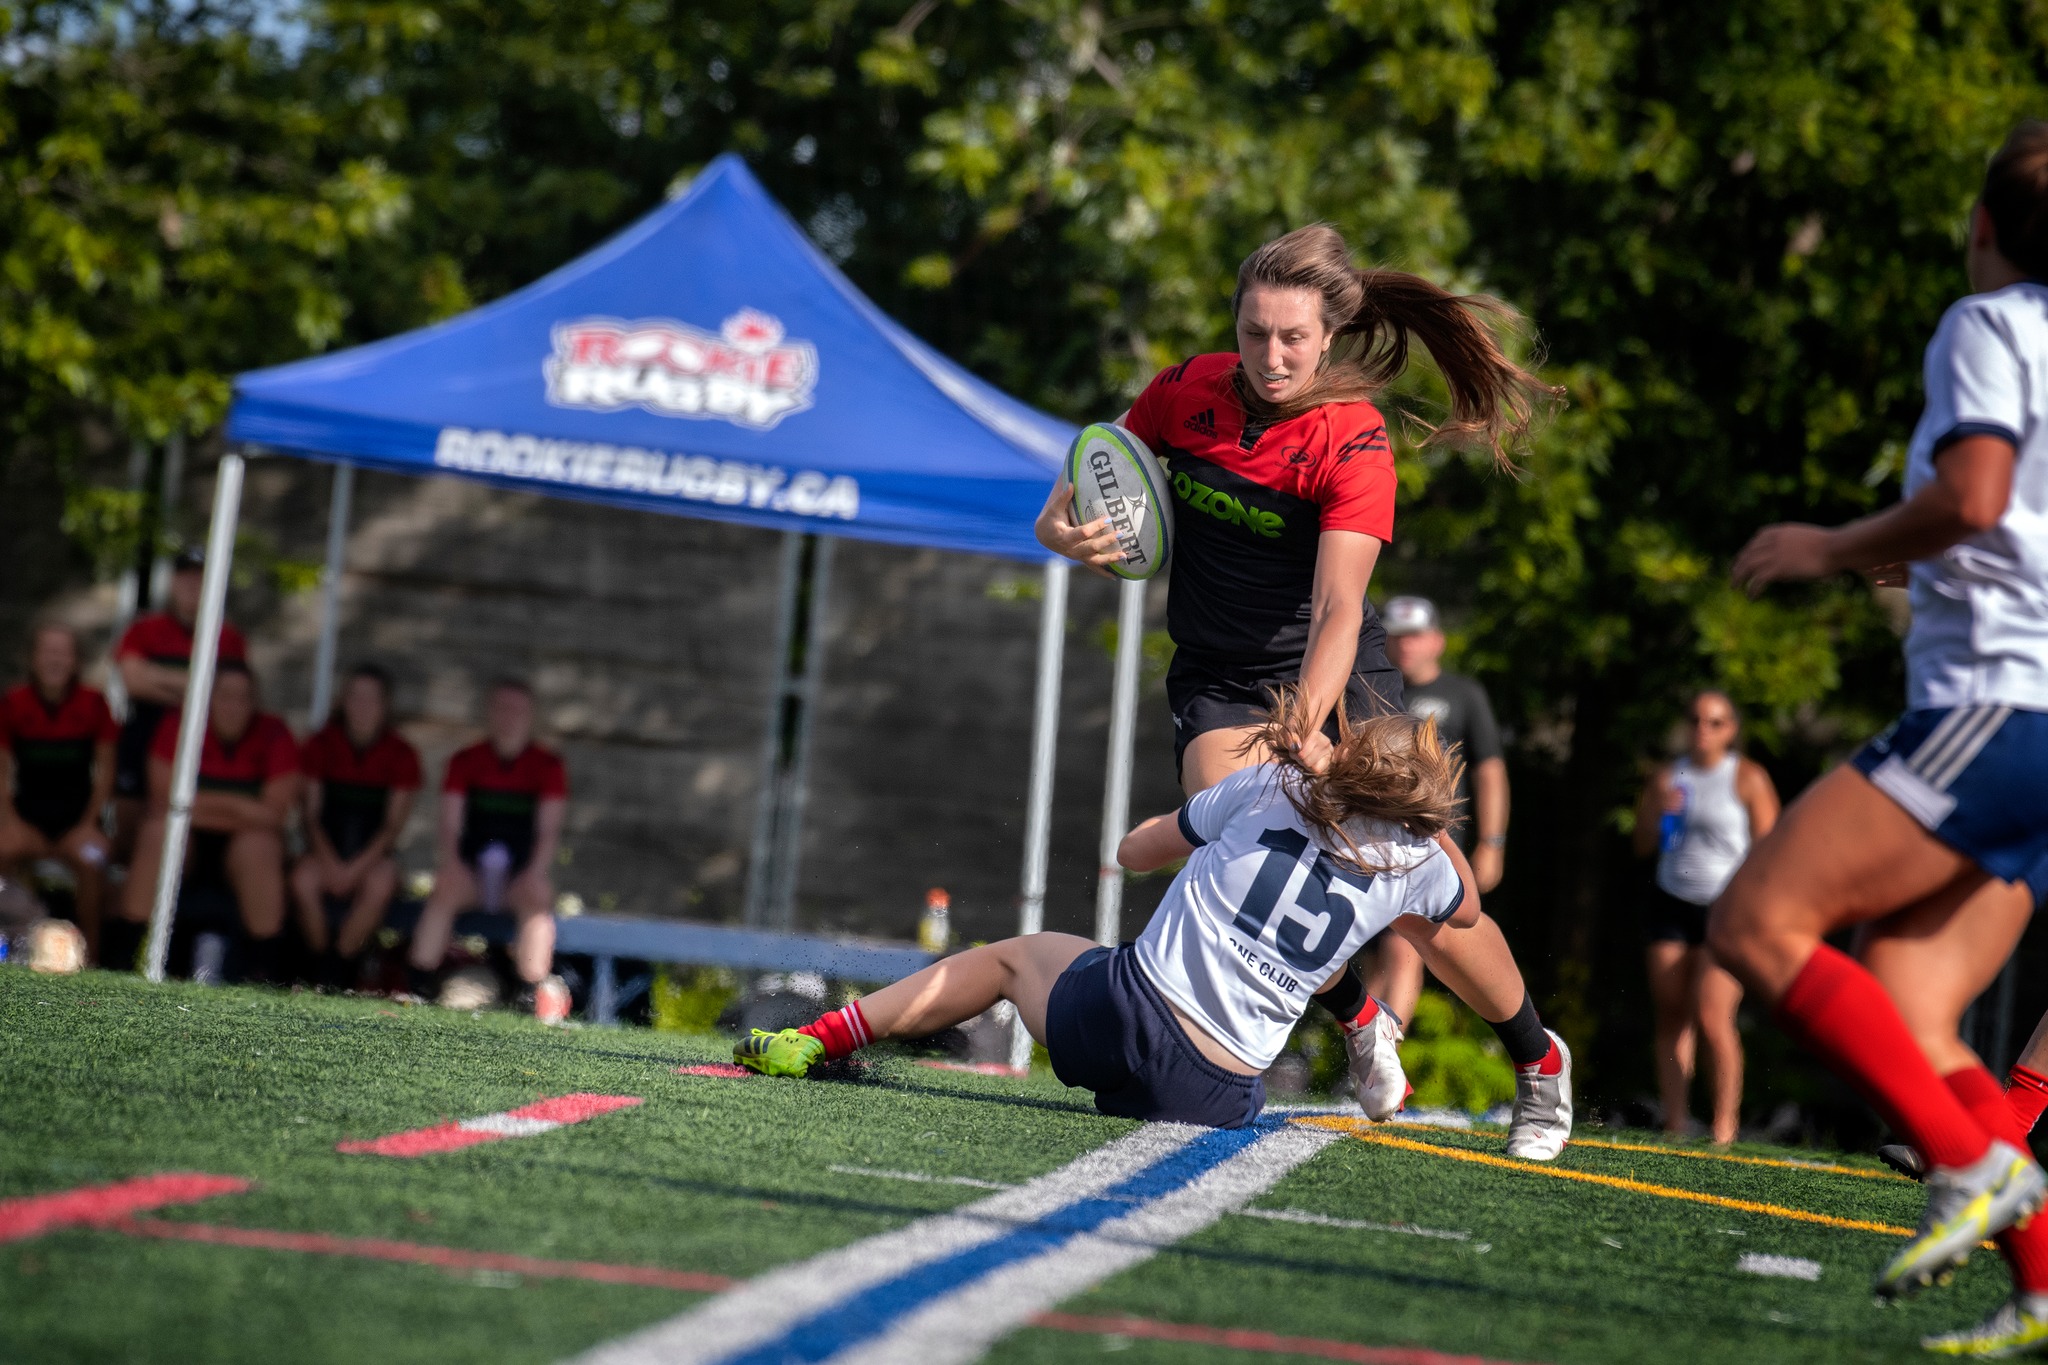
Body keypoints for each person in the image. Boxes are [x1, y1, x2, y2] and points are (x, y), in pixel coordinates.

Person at [1032, 223, 1572, 1152]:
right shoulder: (1183, 390)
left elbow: (1335, 611)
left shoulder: (1353, 439)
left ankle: (1538, 1060)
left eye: (1292, 337)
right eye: (1254, 332)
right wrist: (1059, 525)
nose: (1271, 356)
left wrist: (1307, 730)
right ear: (1233, 325)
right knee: (1235, 834)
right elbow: (1094, 473)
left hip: (1336, 673)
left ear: (1329, 335)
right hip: (1221, 674)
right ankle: (1361, 1017)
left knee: (1432, 895)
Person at [1714, 121, 2048, 1346]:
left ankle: (1976, 1170)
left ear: (1977, 228)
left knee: (1752, 923)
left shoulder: (1988, 323)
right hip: (2028, 714)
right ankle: (2042, 1289)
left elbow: (1973, 496)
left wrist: (1833, 545)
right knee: (1910, 1001)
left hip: (1999, 710)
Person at [739, 702, 1555, 1142]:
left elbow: (1135, 851)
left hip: (1120, 1021)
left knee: (1008, 958)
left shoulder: (1269, 785)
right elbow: (1471, 909)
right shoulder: (1418, 863)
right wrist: (1424, 831)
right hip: (1221, 1093)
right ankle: (1367, 1021)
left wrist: (1212, 826)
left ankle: (819, 1038)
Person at [1632, 690, 1778, 1145]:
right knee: (1672, 1014)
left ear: (1731, 729)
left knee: (1713, 1014)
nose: (1703, 730)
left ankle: (1723, 1128)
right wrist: (1659, 814)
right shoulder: (1667, 779)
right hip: (1672, 902)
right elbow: (1641, 845)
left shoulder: (1747, 778)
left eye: (1715, 722)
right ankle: (1675, 1122)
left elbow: (1772, 851)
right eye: (1696, 720)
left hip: (1725, 909)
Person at [1364, 594, 1509, 1025]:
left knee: (1405, 946)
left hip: (1434, 842)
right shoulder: (1373, 689)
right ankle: (1362, 1061)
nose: (1404, 645)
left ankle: (1383, 1054)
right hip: (1371, 839)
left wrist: (1492, 843)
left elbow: (1490, 771)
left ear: (1437, 641)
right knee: (1377, 954)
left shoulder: (1463, 695)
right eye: (1395, 636)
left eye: (1414, 636)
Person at [108, 661, 299, 980]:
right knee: (159, 833)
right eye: (224, 695)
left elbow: (273, 815)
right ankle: (126, 956)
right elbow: (162, 800)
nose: (233, 706)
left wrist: (196, 804)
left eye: (243, 697)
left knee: (259, 846)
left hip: (243, 850)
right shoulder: (178, 725)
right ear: (206, 698)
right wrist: (240, 808)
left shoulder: (274, 734)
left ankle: (263, 972)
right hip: (187, 844)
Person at [406, 679, 570, 1020]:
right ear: (489, 714)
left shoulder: (547, 766)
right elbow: (450, 824)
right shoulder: (465, 761)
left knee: (538, 895)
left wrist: (534, 871)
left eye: (517, 710)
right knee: (445, 887)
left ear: (531, 716)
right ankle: (417, 987)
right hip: (472, 873)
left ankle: (528, 994)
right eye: (502, 709)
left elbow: (548, 829)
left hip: (517, 877)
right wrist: (452, 865)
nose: (509, 717)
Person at [291, 664, 421, 989]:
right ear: (343, 701)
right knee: (303, 879)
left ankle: (342, 965)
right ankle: (317, 962)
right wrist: (332, 865)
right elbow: (310, 816)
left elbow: (392, 827)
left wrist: (354, 870)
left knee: (381, 882)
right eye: (355, 697)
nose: (362, 707)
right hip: (324, 854)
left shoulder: (402, 754)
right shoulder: (320, 744)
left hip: (371, 859)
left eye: (371, 699)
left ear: (385, 705)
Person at [111, 548, 246, 859]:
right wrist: (199, 687)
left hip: (200, 739)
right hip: (146, 730)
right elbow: (133, 680)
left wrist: (158, 675)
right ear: (172, 581)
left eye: (200, 578)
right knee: (130, 818)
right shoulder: (145, 628)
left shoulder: (228, 637)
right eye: (185, 576)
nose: (192, 584)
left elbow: (234, 693)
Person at [0, 623, 117, 962]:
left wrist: (89, 825)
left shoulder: (95, 704)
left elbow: (106, 772)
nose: (55, 660)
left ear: (77, 660)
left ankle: (91, 957)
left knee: (94, 859)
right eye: (47, 651)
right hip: (27, 822)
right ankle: (9, 948)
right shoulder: (13, 703)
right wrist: (11, 823)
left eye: (63, 652)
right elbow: (2, 770)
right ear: (33, 659)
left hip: (79, 823)